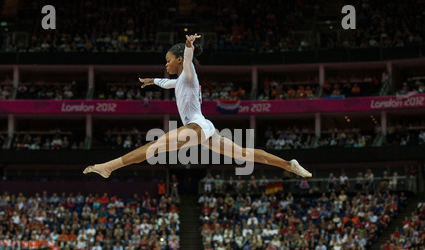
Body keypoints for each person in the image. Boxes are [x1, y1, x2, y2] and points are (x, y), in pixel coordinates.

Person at [84, 34, 311, 179]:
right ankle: (288, 164)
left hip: (196, 126)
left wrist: (188, 45)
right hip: (205, 128)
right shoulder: (182, 80)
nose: (166, 64)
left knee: (153, 148)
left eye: (168, 60)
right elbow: (167, 83)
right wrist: (152, 81)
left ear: (180, 59)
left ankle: (109, 167)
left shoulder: (189, 74)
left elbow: (188, 61)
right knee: (244, 154)